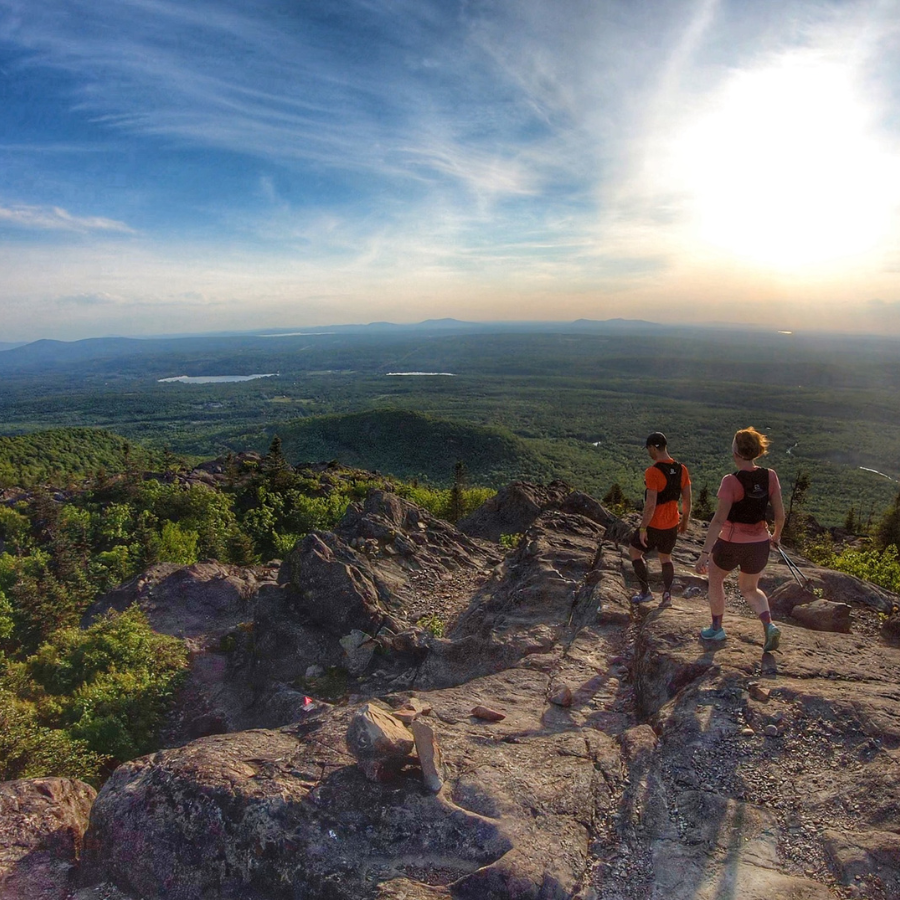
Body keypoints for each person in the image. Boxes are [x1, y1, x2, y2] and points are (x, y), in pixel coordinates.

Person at [694, 427, 785, 652]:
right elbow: (780, 514)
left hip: (732, 542)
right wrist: (775, 536)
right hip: (760, 544)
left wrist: (705, 554)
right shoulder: (769, 475)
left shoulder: (730, 481)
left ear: (735, 452)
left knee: (715, 578)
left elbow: (717, 521)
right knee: (750, 588)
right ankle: (769, 625)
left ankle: (716, 629)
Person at [629, 432, 692, 606]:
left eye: (648, 449)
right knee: (666, 558)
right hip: (672, 523)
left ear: (652, 448)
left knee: (634, 552)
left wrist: (643, 528)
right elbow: (687, 499)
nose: (648, 452)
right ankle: (667, 595)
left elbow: (650, 504)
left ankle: (645, 592)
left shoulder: (653, 472)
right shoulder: (682, 469)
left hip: (654, 524)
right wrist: (685, 521)